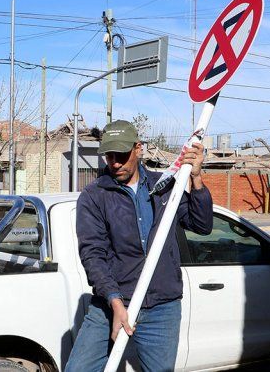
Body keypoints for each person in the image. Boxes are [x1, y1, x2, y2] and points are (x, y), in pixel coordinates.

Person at [65, 120, 214, 372]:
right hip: (112, 303)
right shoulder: (94, 196)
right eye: (109, 156)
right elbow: (93, 255)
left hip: (161, 308)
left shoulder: (166, 186)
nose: (115, 163)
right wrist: (114, 301)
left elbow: (202, 225)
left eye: (121, 154)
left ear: (138, 149)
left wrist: (196, 179)